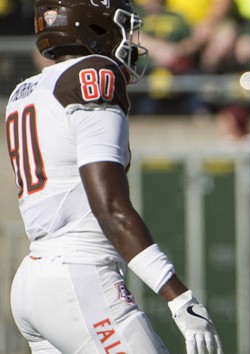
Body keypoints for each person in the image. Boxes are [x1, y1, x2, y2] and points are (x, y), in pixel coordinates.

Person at [4, 0, 223, 353]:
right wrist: (179, 297)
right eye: (120, 23)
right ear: (94, 24)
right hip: (78, 276)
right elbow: (110, 206)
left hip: (33, 280)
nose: (128, 36)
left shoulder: (26, 90)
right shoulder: (93, 74)